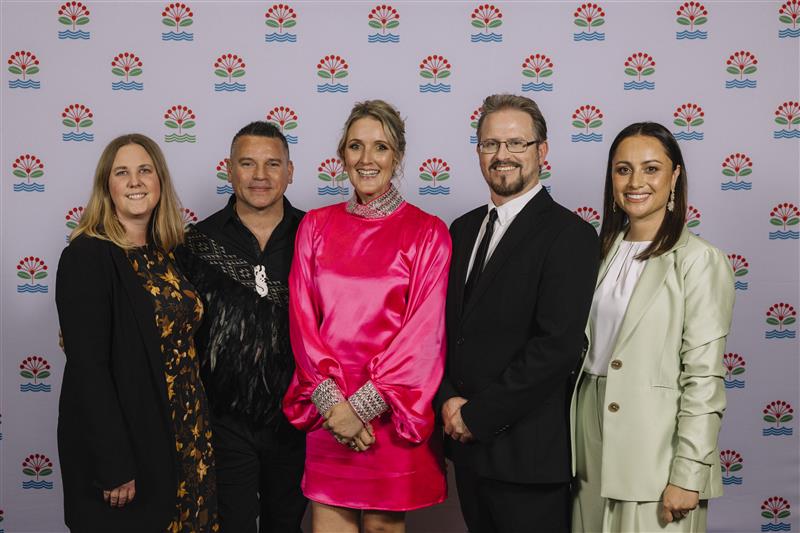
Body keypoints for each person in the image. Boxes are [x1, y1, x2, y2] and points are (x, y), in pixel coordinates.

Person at [282, 99, 451, 533]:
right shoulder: (315, 226)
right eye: (355, 146)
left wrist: (360, 408)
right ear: (342, 156)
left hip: (391, 414)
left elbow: (423, 337)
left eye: (380, 147)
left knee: (381, 529)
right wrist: (332, 406)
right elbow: (302, 323)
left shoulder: (428, 232)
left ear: (397, 156)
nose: (366, 158)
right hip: (327, 408)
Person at [433, 94, 599, 533]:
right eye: (490, 144)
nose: (502, 155)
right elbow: (445, 330)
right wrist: (448, 399)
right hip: (466, 451)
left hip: (527, 459)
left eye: (516, 144)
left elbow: (557, 347)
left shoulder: (571, 235)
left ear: (542, 151)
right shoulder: (463, 228)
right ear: (479, 153)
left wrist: (477, 416)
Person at [570, 122, 735, 532]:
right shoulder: (596, 251)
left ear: (674, 175)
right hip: (587, 439)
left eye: (651, 168)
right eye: (623, 169)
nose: (635, 182)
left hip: (656, 446)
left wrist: (688, 473)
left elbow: (704, 376)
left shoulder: (699, 260)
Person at [56, 133, 218, 532]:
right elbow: (88, 368)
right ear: (106, 187)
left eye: (145, 170)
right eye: (122, 172)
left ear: (159, 181)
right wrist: (113, 463)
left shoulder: (167, 254)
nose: (135, 181)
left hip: (186, 435)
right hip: (131, 443)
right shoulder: (87, 256)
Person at [174, 122, 307, 532]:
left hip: (297, 417)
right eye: (247, 164)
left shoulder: (316, 234)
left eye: (272, 164)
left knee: (286, 524)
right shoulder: (195, 243)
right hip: (224, 420)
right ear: (229, 170)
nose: (260, 176)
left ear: (290, 171)